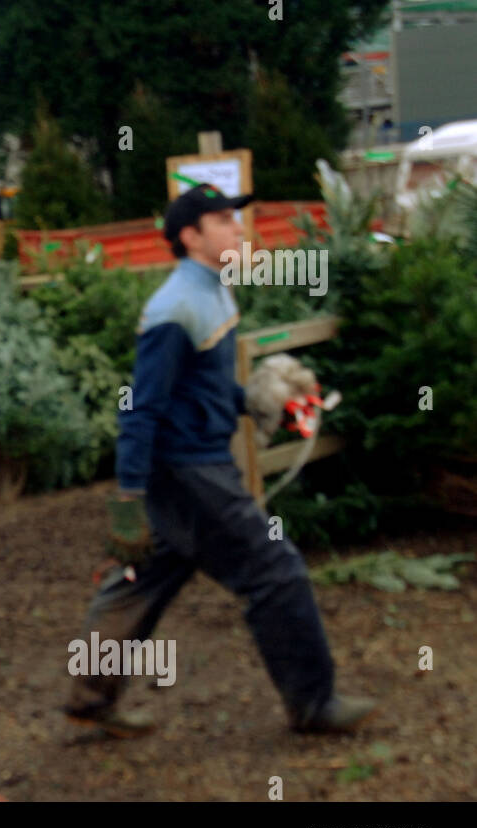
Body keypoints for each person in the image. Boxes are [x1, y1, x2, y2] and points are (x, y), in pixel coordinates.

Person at [61, 183, 377, 738]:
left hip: (188, 465)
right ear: (191, 235)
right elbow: (141, 407)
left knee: (143, 580)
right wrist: (128, 497)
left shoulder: (214, 291)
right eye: (225, 221)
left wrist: (251, 403)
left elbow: (201, 387)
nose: (238, 229)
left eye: (237, 218)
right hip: (191, 472)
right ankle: (313, 704)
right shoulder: (174, 308)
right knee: (275, 573)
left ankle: (90, 696)